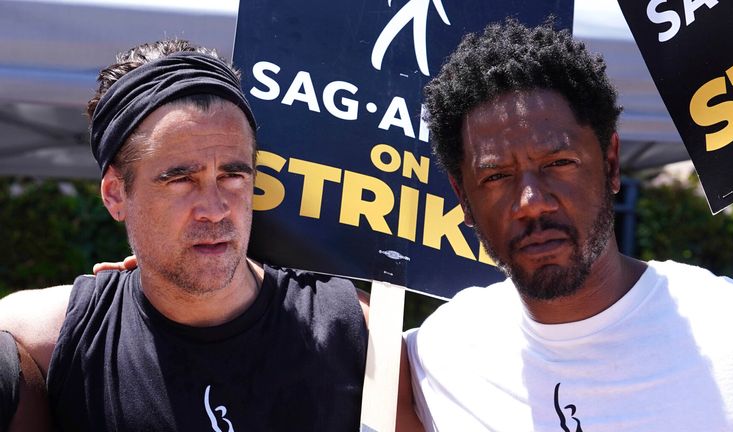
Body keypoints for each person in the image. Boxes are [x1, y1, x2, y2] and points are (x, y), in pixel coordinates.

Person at [0, 39, 419, 432]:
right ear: (115, 194)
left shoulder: (356, 332)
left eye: (233, 175)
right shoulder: (45, 342)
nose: (216, 208)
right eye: (180, 179)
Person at [406, 17, 733, 431]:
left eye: (558, 164)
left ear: (610, 164)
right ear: (463, 198)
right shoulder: (443, 354)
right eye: (496, 177)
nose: (531, 203)